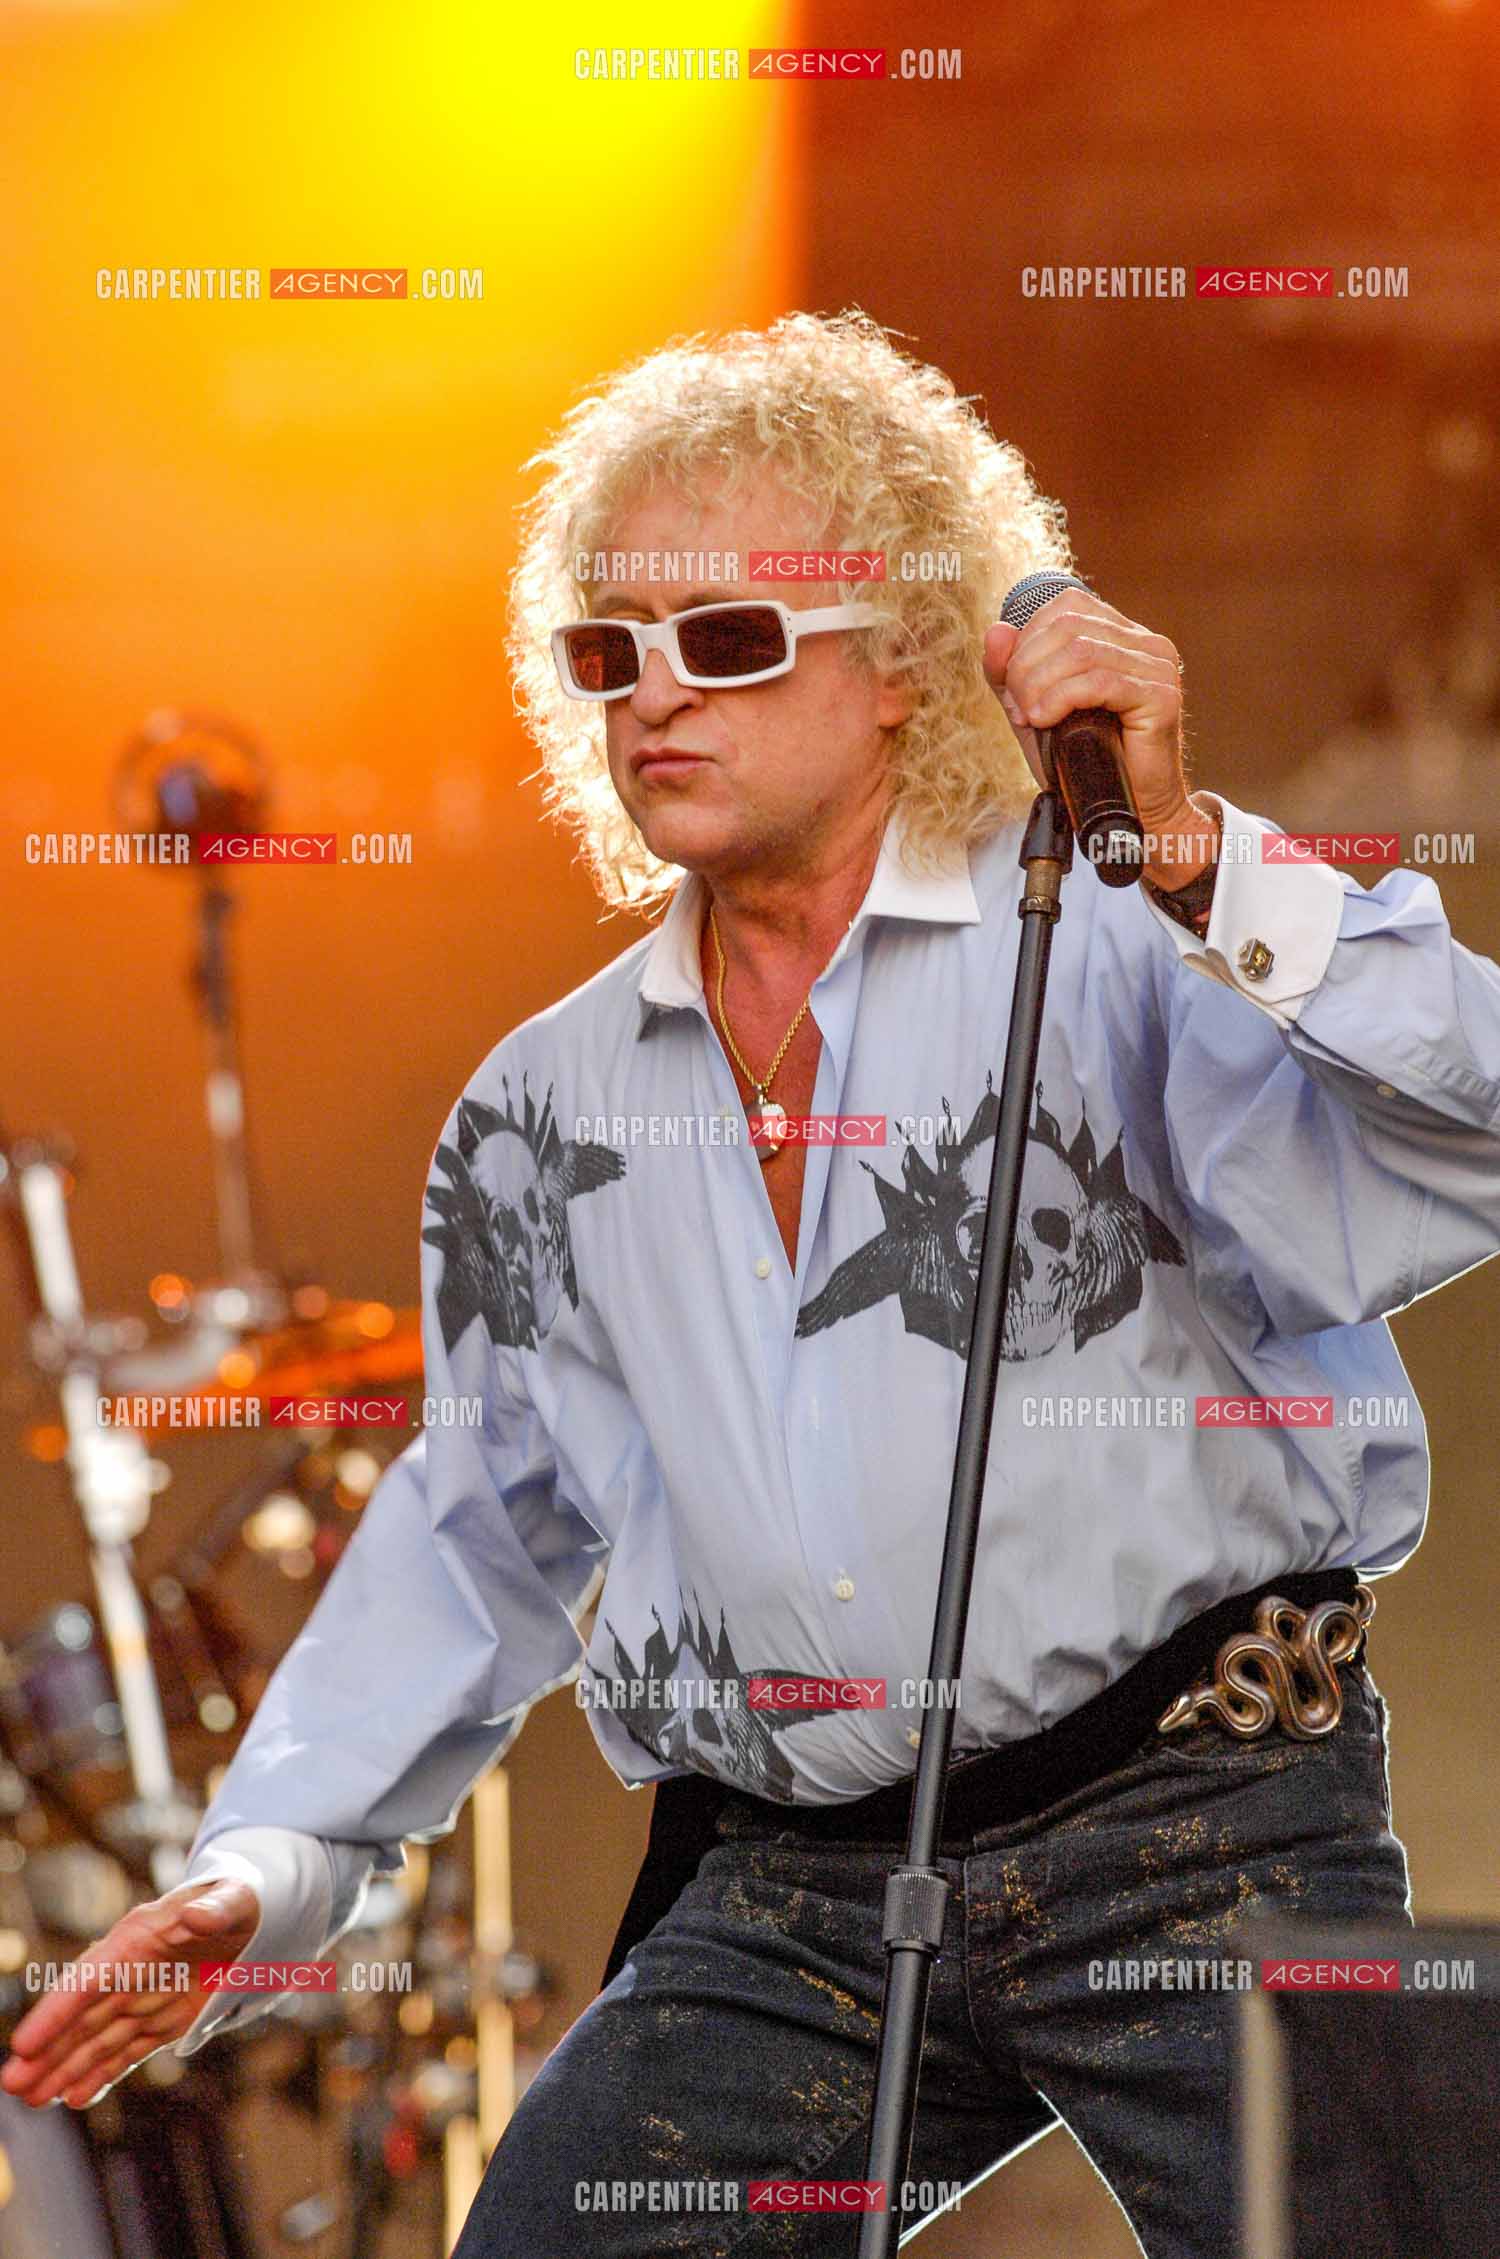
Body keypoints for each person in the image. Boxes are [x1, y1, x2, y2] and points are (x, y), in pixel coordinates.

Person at [6, 311, 1498, 2259]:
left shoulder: (1117, 939)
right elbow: (476, 1532)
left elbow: (1470, 1127)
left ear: (903, 664)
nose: (653, 696)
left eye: (725, 636)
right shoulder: (547, 1102)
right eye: (608, 652)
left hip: (1199, 1826)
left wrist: (1206, 860)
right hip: (798, 1898)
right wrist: (264, 1870)